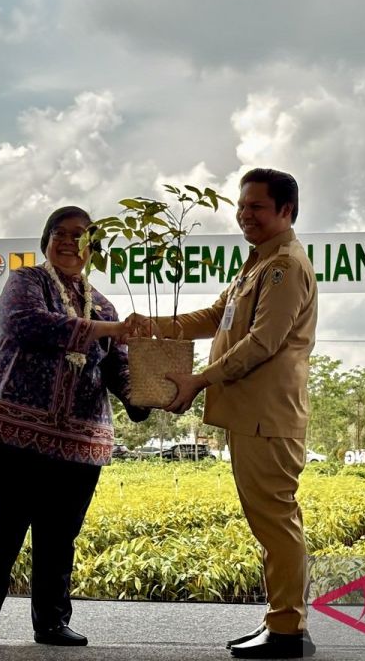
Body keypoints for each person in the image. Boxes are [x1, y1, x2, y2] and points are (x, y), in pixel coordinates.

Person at [127, 168, 318, 660]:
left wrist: (198, 380)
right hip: (253, 415)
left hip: (268, 415)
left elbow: (262, 342)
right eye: (242, 205)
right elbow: (214, 317)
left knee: (276, 523)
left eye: (256, 207)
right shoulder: (258, 263)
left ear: (286, 211)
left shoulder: (285, 267)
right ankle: (281, 623)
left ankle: (287, 631)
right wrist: (156, 326)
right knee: (270, 521)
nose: (244, 215)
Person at [0, 206, 149, 650]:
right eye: (61, 232)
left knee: (59, 537)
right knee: (1, 530)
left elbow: (117, 369)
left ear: (92, 247)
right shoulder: (26, 282)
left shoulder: (104, 304)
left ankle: (52, 623)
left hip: (80, 441)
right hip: (16, 433)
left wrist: (149, 394)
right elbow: (29, 324)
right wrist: (108, 328)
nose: (70, 241)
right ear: (46, 239)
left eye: (81, 235)